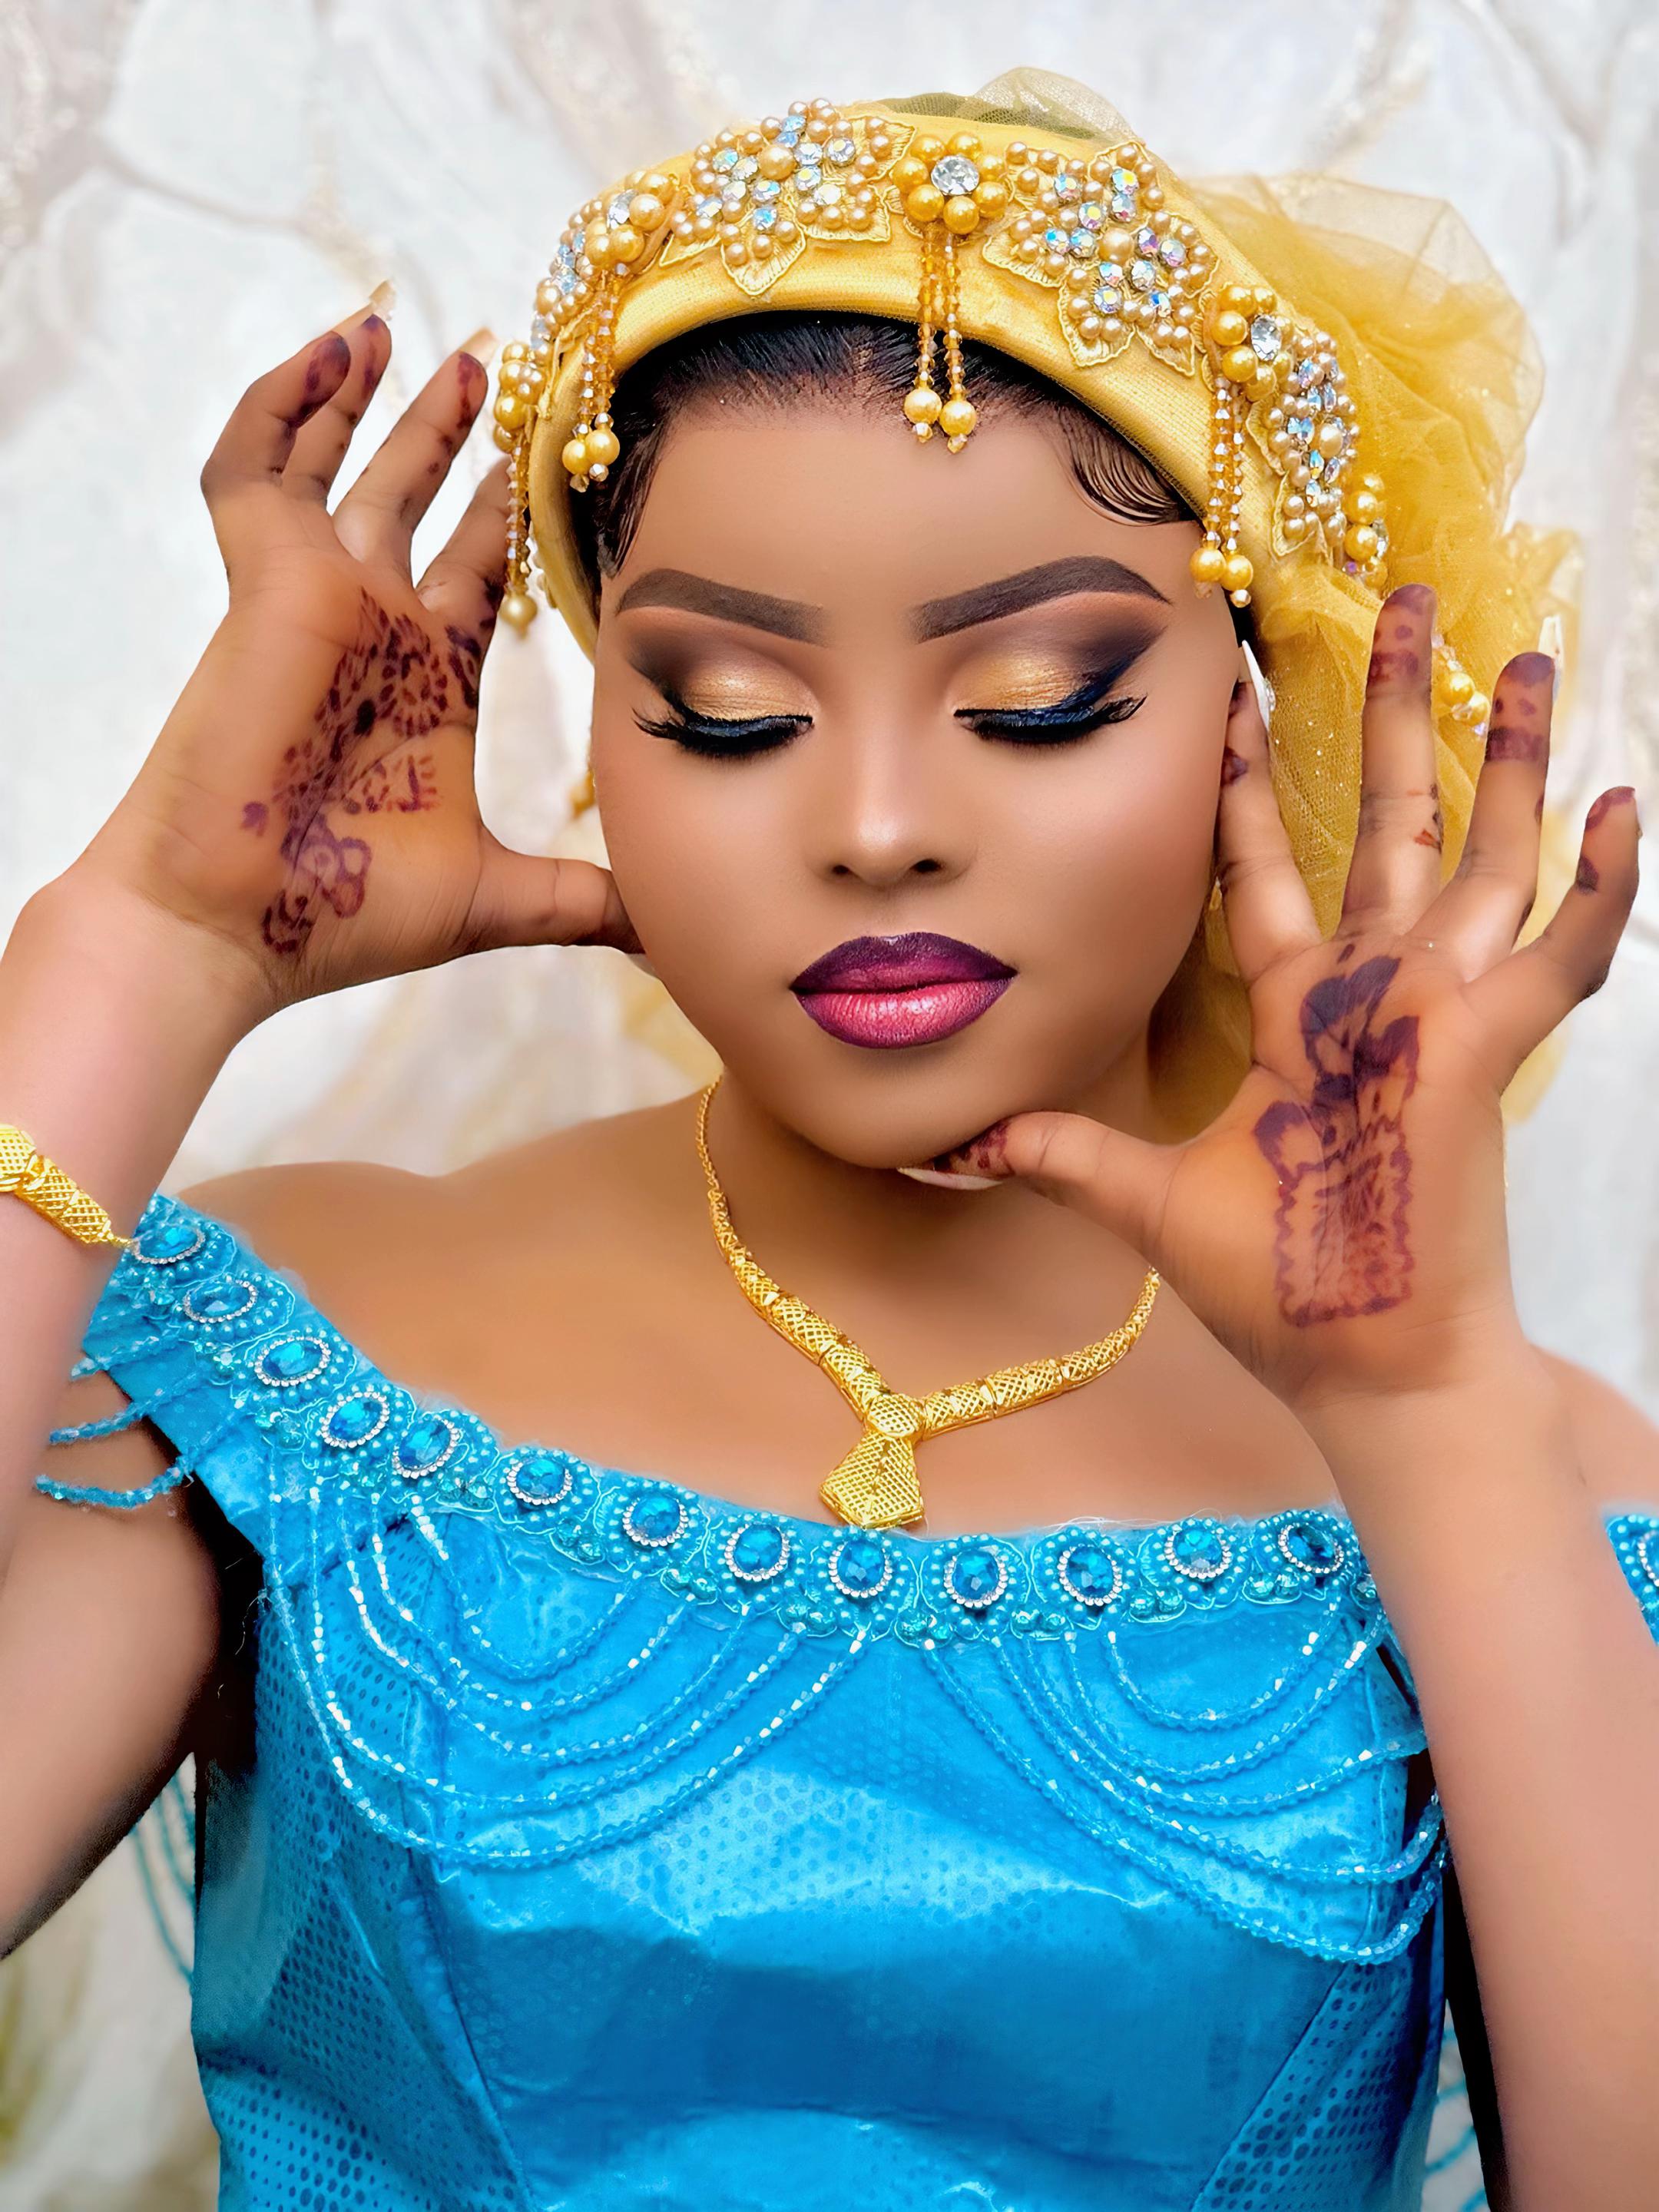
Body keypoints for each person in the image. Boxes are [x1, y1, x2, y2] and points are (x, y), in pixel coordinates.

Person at [2, 69, 1657, 2212]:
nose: (875, 826)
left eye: (1041, 695)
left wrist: (1425, 1413)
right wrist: (140, 956)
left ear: (1254, 723)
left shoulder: (1533, 1476)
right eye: (730, 712)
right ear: (601, 738)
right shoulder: (292, 1350)